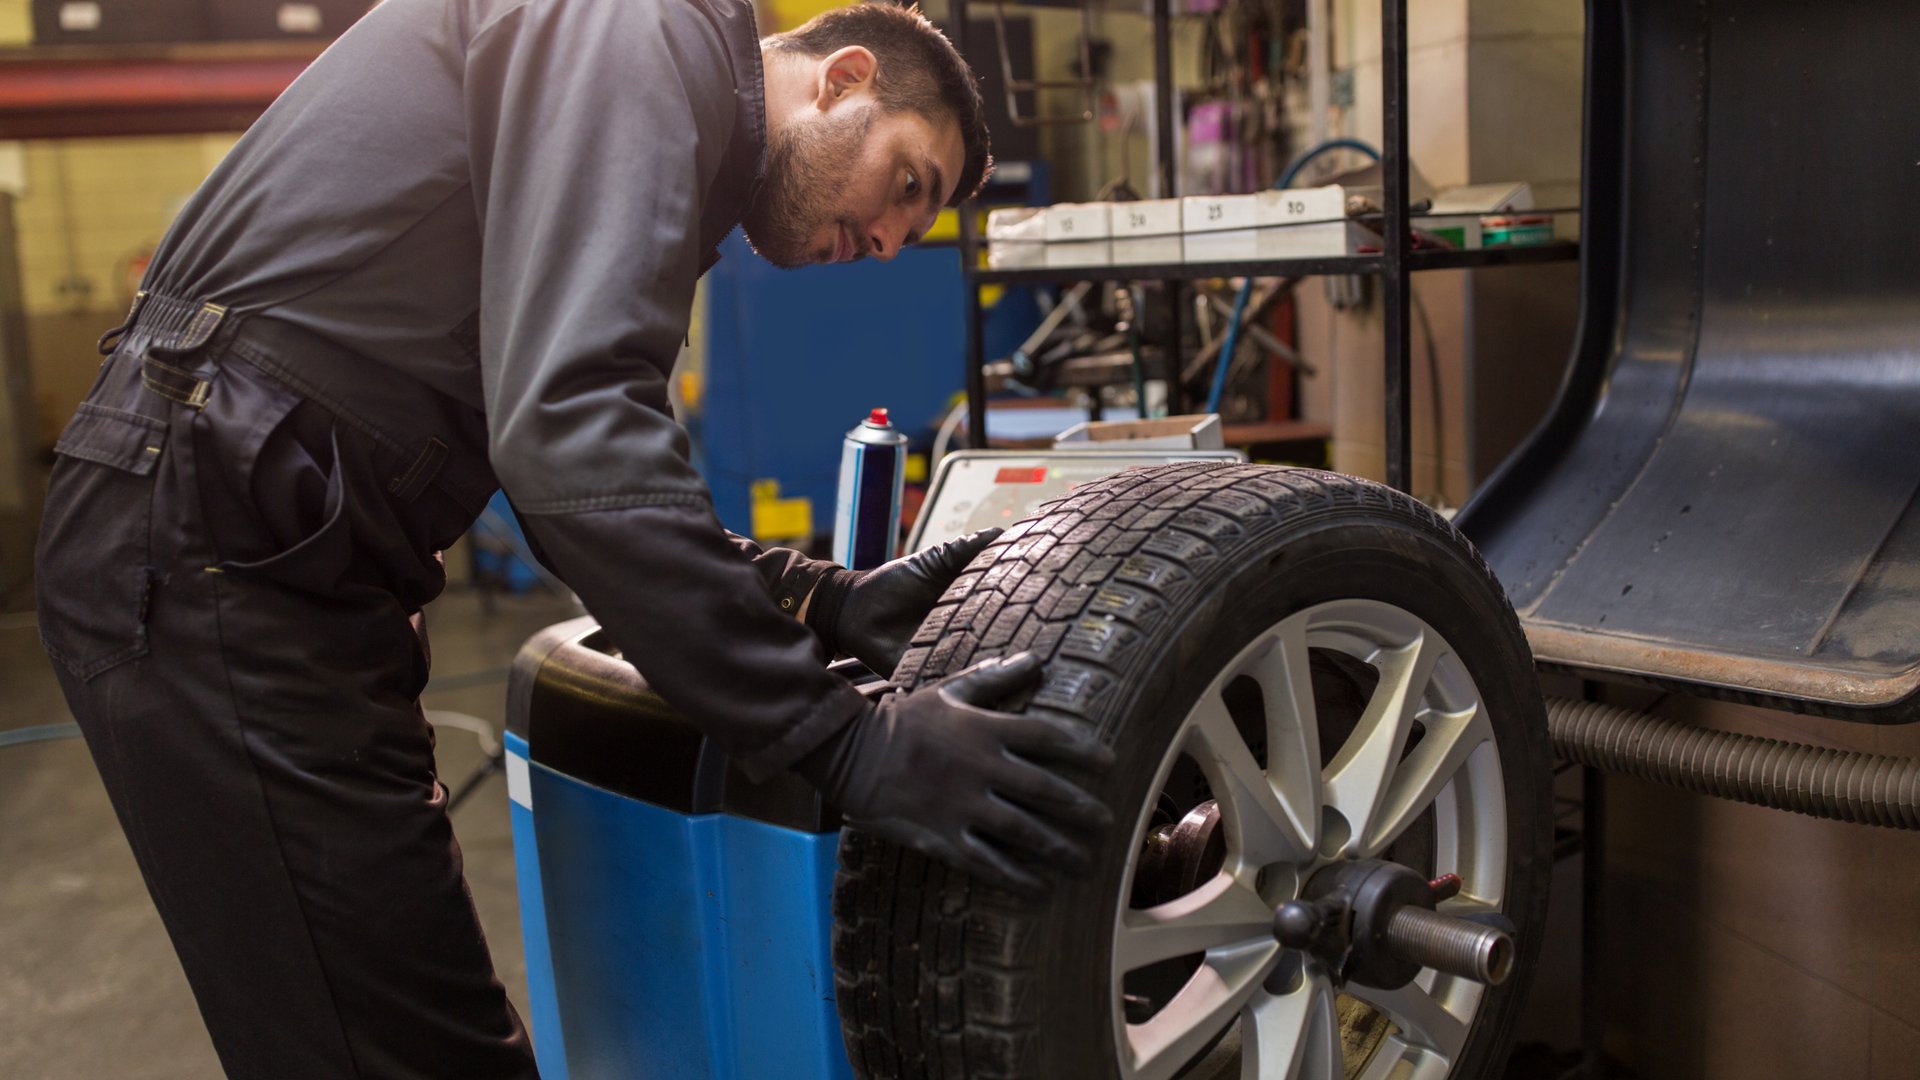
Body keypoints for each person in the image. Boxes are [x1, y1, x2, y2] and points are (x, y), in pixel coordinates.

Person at [32, 1, 1113, 1076]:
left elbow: (565, 475)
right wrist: (849, 742)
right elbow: (573, 442)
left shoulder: (656, 114)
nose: (884, 243)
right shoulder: (642, 26)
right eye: (906, 185)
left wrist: (822, 599)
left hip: (269, 555)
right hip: (215, 543)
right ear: (844, 80)